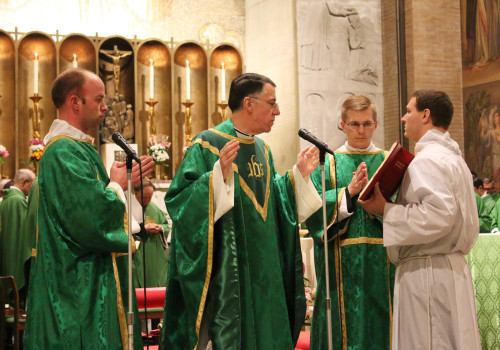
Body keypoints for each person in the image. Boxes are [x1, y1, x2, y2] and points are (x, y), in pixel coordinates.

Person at [161, 73, 322, 349]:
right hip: (230, 274)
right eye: (272, 103)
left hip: (266, 274)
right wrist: (215, 177)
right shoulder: (207, 144)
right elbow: (179, 202)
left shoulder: (263, 150)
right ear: (249, 103)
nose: (278, 111)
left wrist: (298, 177)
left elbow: (273, 203)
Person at [24, 68, 155, 350]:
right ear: (75, 102)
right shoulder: (62, 152)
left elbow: (94, 200)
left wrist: (122, 185)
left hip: (91, 275)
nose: (105, 107)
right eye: (98, 99)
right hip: (76, 285)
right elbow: (87, 218)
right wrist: (116, 185)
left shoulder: (79, 148)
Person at [359, 90, 480, 349]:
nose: (403, 117)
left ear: (426, 115)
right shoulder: (455, 159)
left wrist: (385, 210)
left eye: (408, 110)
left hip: (428, 275)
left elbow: (438, 216)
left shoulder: (426, 161)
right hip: (450, 270)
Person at [305, 95, 394, 349]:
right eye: (354, 124)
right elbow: (314, 211)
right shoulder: (327, 163)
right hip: (339, 265)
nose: (361, 130)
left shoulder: (388, 161)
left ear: (376, 124)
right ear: (342, 125)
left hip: (383, 261)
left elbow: (401, 206)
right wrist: (348, 193)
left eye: (367, 123)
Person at [0, 168, 35, 306]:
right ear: (24, 182)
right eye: (32, 184)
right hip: (16, 258)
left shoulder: (6, 201)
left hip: (7, 256)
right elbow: (25, 235)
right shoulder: (18, 201)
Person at [132, 179, 170, 288]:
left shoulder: (154, 208)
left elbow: (166, 226)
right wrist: (143, 229)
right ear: (136, 193)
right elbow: (124, 229)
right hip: (138, 253)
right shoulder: (129, 208)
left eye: (150, 197)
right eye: (144, 197)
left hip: (155, 253)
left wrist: (160, 228)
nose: (147, 200)